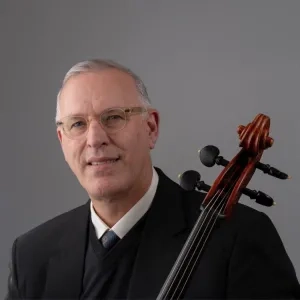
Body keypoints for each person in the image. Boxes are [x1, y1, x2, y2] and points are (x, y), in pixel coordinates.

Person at [6, 59, 300, 299]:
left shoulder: (240, 238)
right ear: (62, 140)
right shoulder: (32, 256)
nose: (95, 139)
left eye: (114, 117)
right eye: (77, 124)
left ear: (151, 128)